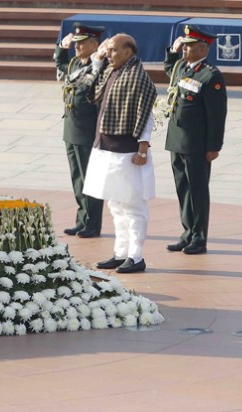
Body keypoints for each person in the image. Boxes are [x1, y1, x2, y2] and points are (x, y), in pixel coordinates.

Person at [83, 33, 157, 274]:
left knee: (133, 206)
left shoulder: (139, 77)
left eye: (113, 50)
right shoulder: (112, 71)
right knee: (115, 204)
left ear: (128, 51)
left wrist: (143, 149)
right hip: (105, 148)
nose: (109, 54)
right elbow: (90, 93)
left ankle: (136, 256)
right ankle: (121, 252)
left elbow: (147, 115)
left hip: (128, 152)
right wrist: (97, 61)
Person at [164, 25, 227, 255]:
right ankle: (187, 233)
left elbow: (217, 115)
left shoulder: (211, 75)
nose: (185, 49)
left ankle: (199, 238)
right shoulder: (181, 66)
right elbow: (168, 67)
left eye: (189, 46)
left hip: (197, 143)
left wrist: (214, 146)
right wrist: (173, 50)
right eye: (185, 45)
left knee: (197, 190)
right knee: (183, 188)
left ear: (203, 48)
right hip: (177, 139)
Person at [54, 22, 105, 238]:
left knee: (89, 178)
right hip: (72, 129)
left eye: (82, 43)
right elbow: (62, 64)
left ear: (94, 44)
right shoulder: (75, 63)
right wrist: (61, 48)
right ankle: (81, 219)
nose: (77, 47)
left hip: (88, 131)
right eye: (76, 43)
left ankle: (93, 224)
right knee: (77, 177)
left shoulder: (100, 67)